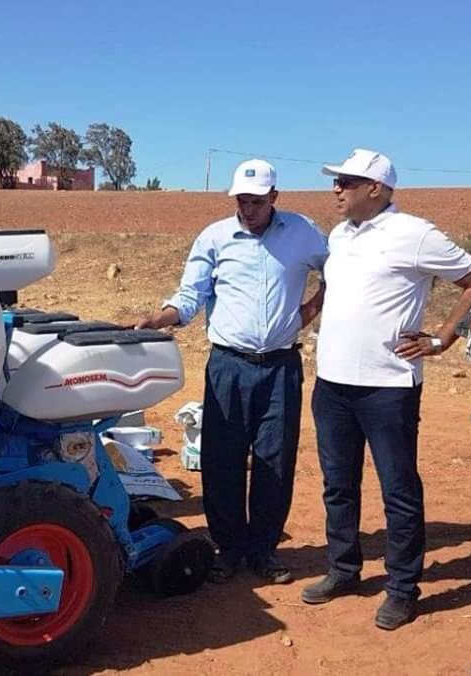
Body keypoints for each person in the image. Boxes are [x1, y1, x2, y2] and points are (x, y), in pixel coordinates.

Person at [303, 149, 471, 630]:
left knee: (398, 490)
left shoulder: (415, 234)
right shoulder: (339, 235)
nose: (336, 189)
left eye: (346, 182)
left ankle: (402, 588)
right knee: (339, 484)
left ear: (375, 187)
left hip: (388, 386)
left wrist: (444, 337)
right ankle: (343, 570)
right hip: (332, 383)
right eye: (336, 181)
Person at [136, 159, 328, 584]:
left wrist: (313, 308)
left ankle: (263, 550)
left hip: (280, 366)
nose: (248, 209)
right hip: (228, 365)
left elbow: (337, 269)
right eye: (242, 200)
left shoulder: (303, 233)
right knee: (221, 458)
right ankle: (228, 548)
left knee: (274, 460)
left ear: (274, 198)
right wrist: (159, 318)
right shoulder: (215, 237)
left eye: (257, 202)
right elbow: (190, 295)